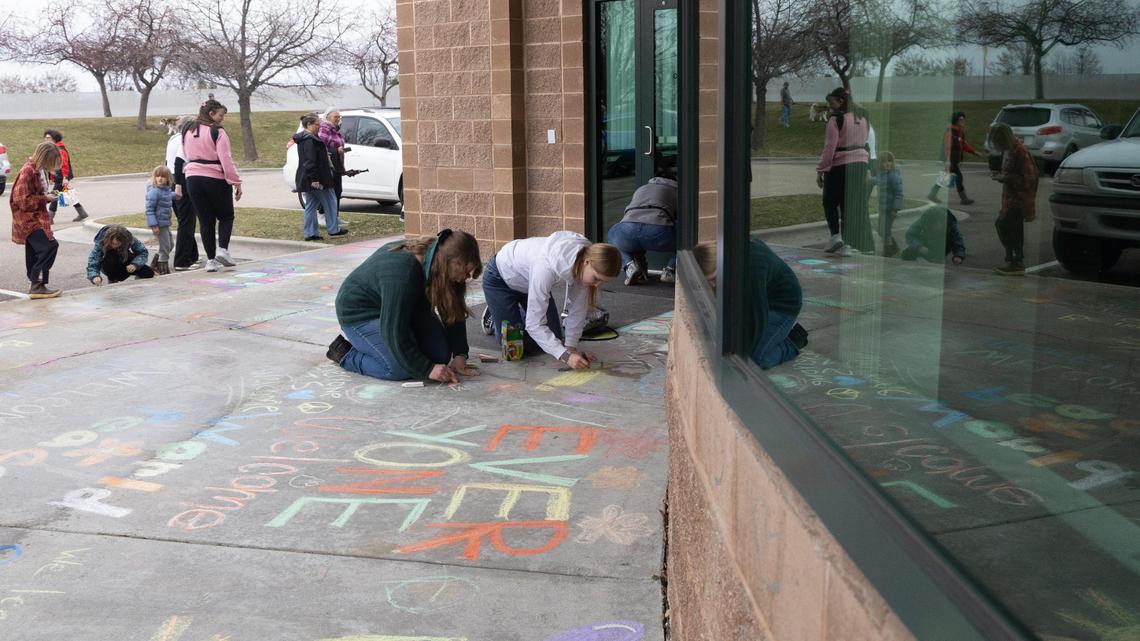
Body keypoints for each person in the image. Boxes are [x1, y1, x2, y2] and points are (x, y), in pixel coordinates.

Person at [327, 230, 483, 384]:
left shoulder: (440, 260)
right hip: (361, 312)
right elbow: (393, 331)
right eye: (466, 272)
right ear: (455, 262)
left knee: (439, 355)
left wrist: (460, 354)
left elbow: (452, 309)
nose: (466, 277)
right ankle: (346, 354)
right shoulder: (402, 274)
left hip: (403, 307)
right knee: (399, 368)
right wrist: (427, 369)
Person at [482, 231, 621, 369]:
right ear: (587, 262)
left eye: (602, 281)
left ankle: (511, 313)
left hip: (530, 285)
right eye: (596, 278)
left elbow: (577, 310)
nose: (597, 285)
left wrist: (570, 349)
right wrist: (565, 356)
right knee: (514, 348)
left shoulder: (582, 264)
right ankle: (493, 318)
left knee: (554, 339)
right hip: (500, 281)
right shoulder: (546, 267)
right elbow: (534, 324)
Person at [694, 239, 808, 369]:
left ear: (722, 264)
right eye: (707, 282)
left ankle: (792, 341)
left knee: (751, 362)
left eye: (714, 279)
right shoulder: (728, 254)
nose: (713, 285)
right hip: (757, 299)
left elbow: (756, 320)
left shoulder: (751, 268)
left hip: (781, 306)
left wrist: (741, 357)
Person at [182, 99, 242, 273]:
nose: (222, 118)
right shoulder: (218, 131)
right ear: (211, 114)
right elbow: (226, 159)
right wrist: (236, 182)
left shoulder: (187, 129)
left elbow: (185, 153)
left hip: (192, 178)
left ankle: (210, 260)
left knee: (205, 220)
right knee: (226, 216)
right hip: (214, 177)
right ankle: (223, 249)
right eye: (220, 115)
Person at [816, 87, 874, 256]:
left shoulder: (836, 119)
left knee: (830, 201)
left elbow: (830, 147)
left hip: (840, 164)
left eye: (832, 102)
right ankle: (850, 242)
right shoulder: (863, 116)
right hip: (860, 162)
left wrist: (821, 169)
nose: (830, 106)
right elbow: (865, 140)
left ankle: (836, 236)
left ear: (841, 101)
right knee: (849, 204)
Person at [10, 142, 63, 299]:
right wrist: (45, 198)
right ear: (45, 158)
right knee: (49, 246)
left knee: (35, 252)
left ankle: (36, 285)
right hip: (28, 220)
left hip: (35, 217)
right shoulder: (28, 171)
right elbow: (21, 200)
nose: (53, 166)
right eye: (52, 162)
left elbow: (34, 194)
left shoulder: (38, 170)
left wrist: (49, 195)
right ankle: (36, 283)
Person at [607, 173, 678, 286]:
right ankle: (670, 270)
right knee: (688, 238)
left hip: (627, 230)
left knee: (613, 233)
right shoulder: (676, 191)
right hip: (658, 232)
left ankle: (631, 266)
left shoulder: (642, 188)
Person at [989, 123, 1038, 276]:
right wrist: (1001, 175)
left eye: (998, 142)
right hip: (1010, 198)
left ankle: (1017, 262)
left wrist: (1005, 178)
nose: (997, 146)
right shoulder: (1009, 150)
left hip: (1020, 199)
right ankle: (1012, 259)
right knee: (1004, 226)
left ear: (1003, 139)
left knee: (1010, 227)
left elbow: (1029, 179)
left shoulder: (1020, 151)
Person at [294, 113, 345, 241]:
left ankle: (311, 233)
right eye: (317, 125)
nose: (319, 127)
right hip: (318, 179)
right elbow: (310, 161)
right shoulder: (310, 140)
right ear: (309, 125)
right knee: (330, 201)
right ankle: (334, 229)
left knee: (311, 205)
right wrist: (315, 179)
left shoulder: (305, 138)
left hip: (308, 178)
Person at [166, 115, 201, 271]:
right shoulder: (185, 140)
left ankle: (192, 255)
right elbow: (180, 162)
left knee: (184, 221)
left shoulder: (173, 138)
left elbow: (168, 162)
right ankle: (181, 261)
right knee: (187, 221)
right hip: (182, 181)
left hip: (171, 181)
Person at [928, 111, 982, 205]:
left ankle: (932, 194)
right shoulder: (951, 131)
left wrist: (974, 152)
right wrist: (948, 160)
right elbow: (947, 146)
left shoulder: (959, 131)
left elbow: (963, 144)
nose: (963, 121)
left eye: (963, 119)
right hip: (950, 160)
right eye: (960, 119)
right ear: (955, 120)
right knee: (955, 177)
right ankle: (963, 199)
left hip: (953, 160)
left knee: (946, 177)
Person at [42, 129, 90, 223]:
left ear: (54, 138)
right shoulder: (54, 148)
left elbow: (64, 164)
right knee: (67, 194)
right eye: (45, 137)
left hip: (62, 177)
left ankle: (50, 218)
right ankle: (82, 213)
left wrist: (65, 178)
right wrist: (52, 177)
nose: (46, 139)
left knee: (54, 194)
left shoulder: (60, 149)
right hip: (59, 176)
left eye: (48, 138)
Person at [86, 224, 155, 285]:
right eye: (112, 243)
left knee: (148, 272)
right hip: (110, 267)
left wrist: (135, 264)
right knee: (112, 253)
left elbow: (142, 252)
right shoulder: (101, 242)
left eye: (117, 244)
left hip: (125, 262)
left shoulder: (129, 239)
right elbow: (93, 260)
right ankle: (112, 280)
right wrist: (94, 276)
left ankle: (137, 285)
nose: (114, 246)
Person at [900, 208, 966, 265]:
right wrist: (919, 246)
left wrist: (958, 255)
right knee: (907, 254)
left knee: (937, 257)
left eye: (935, 226)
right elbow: (910, 234)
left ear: (940, 222)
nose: (933, 229)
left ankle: (937, 258)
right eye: (931, 227)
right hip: (926, 243)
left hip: (942, 245)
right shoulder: (924, 220)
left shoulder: (950, 224)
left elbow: (957, 240)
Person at [145, 165, 175, 275]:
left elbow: (167, 196)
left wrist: (176, 195)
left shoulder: (165, 191)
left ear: (168, 178)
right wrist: (153, 225)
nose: (160, 178)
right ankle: (163, 269)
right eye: (158, 176)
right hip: (159, 224)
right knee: (165, 247)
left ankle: (154, 264)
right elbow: (149, 210)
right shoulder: (154, 192)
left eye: (163, 176)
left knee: (170, 245)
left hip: (165, 223)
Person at [876, 152, 903, 257]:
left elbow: (898, 193)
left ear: (892, 162)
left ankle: (888, 250)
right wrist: (869, 180)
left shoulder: (893, 176)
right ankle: (895, 248)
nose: (887, 164)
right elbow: (877, 181)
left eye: (889, 161)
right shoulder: (882, 175)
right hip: (882, 208)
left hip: (890, 209)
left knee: (885, 230)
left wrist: (895, 209)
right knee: (881, 230)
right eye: (884, 162)